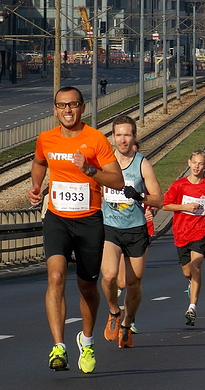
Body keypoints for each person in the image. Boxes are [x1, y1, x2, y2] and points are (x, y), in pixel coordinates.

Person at [28, 86, 124, 373]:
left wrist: (91, 171)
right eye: (61, 105)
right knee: (55, 275)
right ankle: (59, 346)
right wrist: (35, 186)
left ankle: (88, 340)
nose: (67, 110)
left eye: (73, 105)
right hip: (57, 217)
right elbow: (38, 162)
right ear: (54, 109)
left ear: (83, 108)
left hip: (89, 220)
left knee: (87, 287)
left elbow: (117, 181)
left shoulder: (95, 140)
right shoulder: (46, 138)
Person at [100, 115, 163, 349]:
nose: (123, 139)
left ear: (134, 136)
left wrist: (141, 197)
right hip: (110, 227)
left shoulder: (142, 164)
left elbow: (159, 199)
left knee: (133, 282)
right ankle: (114, 312)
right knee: (108, 276)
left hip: (136, 230)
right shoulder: (105, 162)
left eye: (127, 135)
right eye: (119, 135)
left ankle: (126, 326)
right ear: (113, 137)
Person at [162, 150, 205, 326]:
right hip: (181, 232)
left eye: (200, 164)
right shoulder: (179, 185)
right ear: (189, 162)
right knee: (187, 271)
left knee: (196, 267)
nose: (197, 166)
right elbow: (165, 205)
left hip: (200, 231)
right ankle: (191, 284)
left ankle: (192, 308)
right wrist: (185, 206)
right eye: (194, 162)